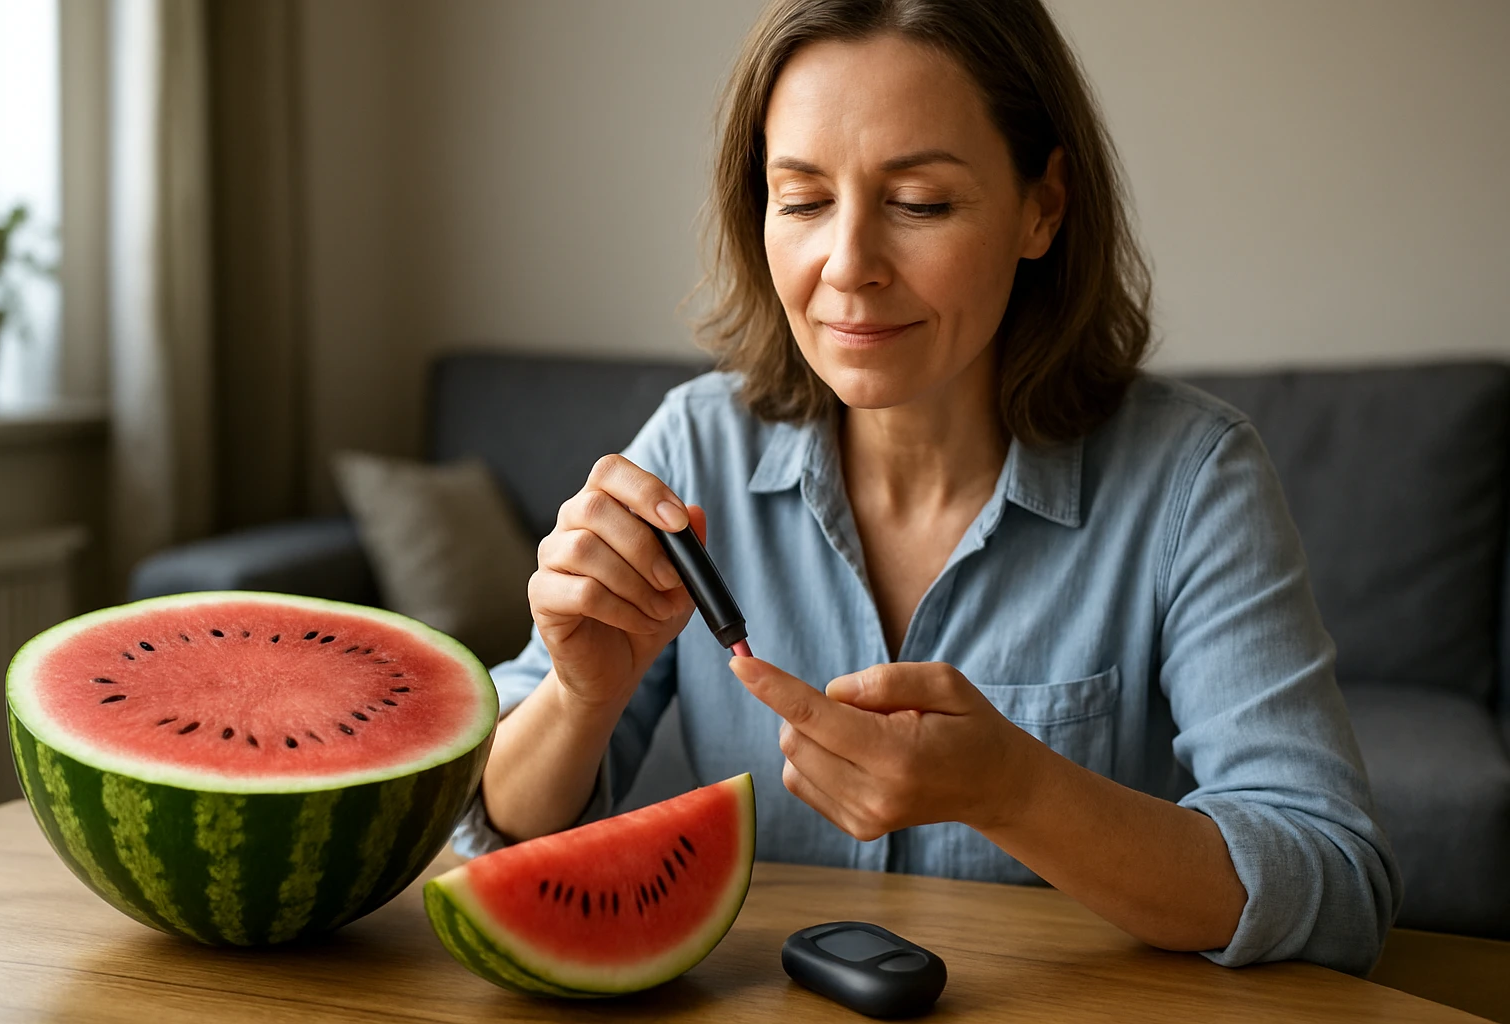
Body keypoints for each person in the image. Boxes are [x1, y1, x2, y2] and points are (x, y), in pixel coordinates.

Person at [456, 0, 1400, 975]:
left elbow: (1338, 884)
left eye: (920, 205)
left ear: (1044, 205)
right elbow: (490, 838)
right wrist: (577, 696)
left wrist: (1016, 792)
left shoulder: (1194, 479)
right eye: (804, 199)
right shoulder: (693, 447)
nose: (849, 266)